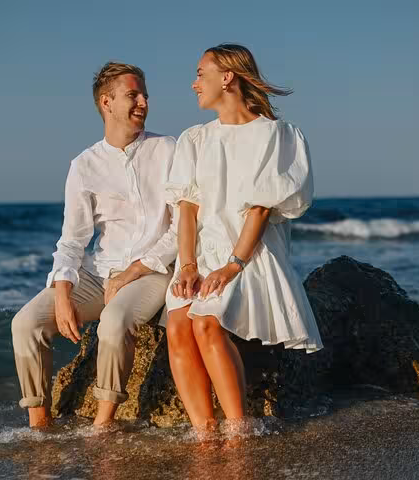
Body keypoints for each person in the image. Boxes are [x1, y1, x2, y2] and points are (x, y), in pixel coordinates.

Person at [164, 44, 323, 430]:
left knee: (205, 323)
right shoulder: (194, 139)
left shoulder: (275, 135)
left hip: (248, 254)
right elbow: (187, 208)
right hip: (200, 253)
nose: (194, 83)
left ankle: (238, 430)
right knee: (177, 326)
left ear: (227, 77)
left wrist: (232, 266)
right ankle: (205, 433)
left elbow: (261, 208)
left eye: (201, 73)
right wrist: (187, 265)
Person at [11, 62, 177, 428]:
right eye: (133, 94)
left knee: (115, 321)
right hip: (100, 274)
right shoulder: (84, 165)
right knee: (25, 323)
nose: (143, 102)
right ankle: (39, 422)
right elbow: (72, 240)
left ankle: (103, 425)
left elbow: (181, 229)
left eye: (145, 94)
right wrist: (62, 292)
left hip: (151, 271)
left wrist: (135, 270)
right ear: (107, 102)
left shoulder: (169, 150)